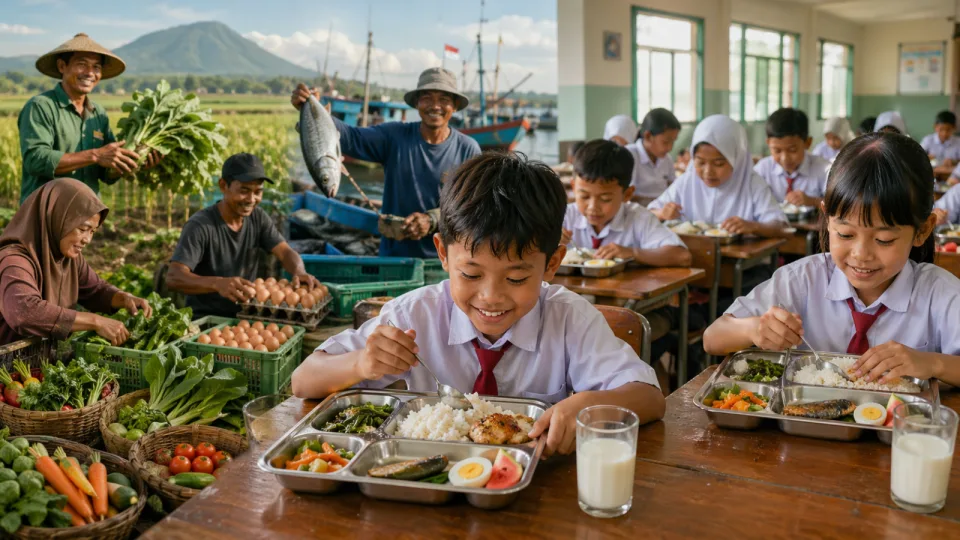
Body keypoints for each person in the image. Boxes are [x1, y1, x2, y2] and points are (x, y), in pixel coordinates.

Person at [291, 152, 666, 457]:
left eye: (517, 279)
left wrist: (587, 405)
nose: (490, 297)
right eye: (470, 274)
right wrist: (360, 363)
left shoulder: (569, 318)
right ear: (442, 253)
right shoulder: (414, 315)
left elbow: (650, 398)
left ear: (552, 264)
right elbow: (303, 380)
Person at [703, 133, 960, 388]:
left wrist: (933, 363)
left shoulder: (939, 293)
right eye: (845, 234)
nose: (861, 254)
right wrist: (754, 329)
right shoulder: (803, 279)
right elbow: (712, 338)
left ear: (923, 230)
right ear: (827, 218)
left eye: (883, 240)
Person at [291, 68, 481, 258]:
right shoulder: (394, 137)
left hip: (446, 263)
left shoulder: (468, 149)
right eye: (427, 98)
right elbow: (350, 138)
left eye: (444, 100)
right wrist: (312, 111)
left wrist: (432, 219)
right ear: (417, 103)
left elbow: (473, 208)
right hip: (393, 257)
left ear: (455, 106)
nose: (435, 106)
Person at [166, 153, 321, 318]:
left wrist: (299, 271)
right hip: (207, 319)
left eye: (257, 192)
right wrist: (217, 283)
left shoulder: (258, 217)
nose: (251, 199)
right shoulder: (201, 226)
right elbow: (174, 277)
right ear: (223, 186)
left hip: (246, 314)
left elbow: (284, 252)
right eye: (244, 191)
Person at [0, 178, 152, 346]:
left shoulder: (68, 258)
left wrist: (125, 298)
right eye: (82, 229)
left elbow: (96, 290)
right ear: (57, 218)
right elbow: (24, 312)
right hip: (8, 366)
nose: (87, 239)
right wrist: (95, 321)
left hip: (40, 363)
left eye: (92, 231)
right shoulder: (13, 260)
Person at [18, 33, 157, 204]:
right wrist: (95, 155)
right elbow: (35, 160)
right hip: (46, 212)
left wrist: (134, 162)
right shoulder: (41, 106)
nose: (90, 73)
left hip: (86, 216)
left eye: (96, 67)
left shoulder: (98, 113)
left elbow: (105, 174)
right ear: (62, 66)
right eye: (82, 64)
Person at [648, 115, 788, 238]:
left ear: (736, 159)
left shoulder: (752, 184)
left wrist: (753, 226)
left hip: (744, 265)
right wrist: (662, 213)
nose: (708, 171)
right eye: (700, 162)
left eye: (719, 163)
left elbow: (781, 227)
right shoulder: (687, 181)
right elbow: (647, 214)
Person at [562, 139, 690, 267]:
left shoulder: (639, 218)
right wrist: (547, 244)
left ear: (627, 194)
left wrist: (633, 253)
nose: (592, 207)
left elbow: (682, 256)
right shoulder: (564, 216)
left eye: (605, 199)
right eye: (584, 196)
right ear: (573, 188)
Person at [754, 108, 830, 207]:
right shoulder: (762, 169)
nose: (784, 158)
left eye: (792, 150)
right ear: (768, 143)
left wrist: (813, 201)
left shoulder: (824, 169)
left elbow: (840, 206)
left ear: (808, 143)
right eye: (777, 151)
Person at [626, 108, 681, 201]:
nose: (670, 148)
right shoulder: (630, 155)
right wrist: (659, 203)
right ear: (648, 136)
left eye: (673, 142)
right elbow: (627, 196)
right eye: (666, 142)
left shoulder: (666, 159)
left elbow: (675, 188)